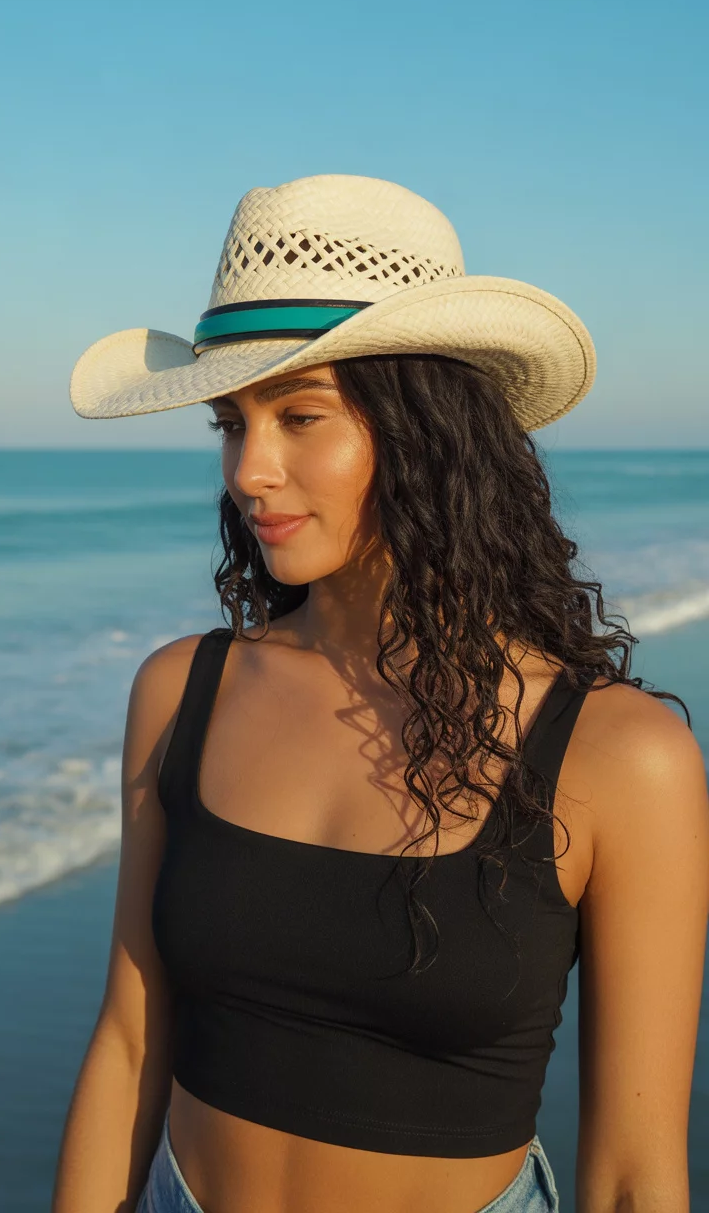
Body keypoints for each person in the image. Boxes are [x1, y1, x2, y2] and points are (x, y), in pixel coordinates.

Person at [53, 174, 709, 1213]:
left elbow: (634, 1173)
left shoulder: (616, 756)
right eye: (231, 422)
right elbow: (131, 1039)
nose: (249, 470)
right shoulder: (184, 690)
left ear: (427, 432)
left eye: (300, 415)